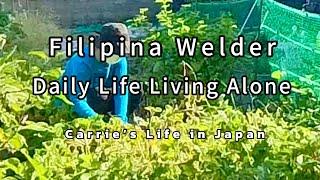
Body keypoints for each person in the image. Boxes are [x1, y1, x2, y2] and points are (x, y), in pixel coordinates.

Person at [60, 23, 139, 124]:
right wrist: (98, 122)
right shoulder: (81, 62)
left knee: (135, 91)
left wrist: (120, 120)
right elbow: (77, 99)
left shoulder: (119, 59)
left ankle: (115, 119)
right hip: (77, 99)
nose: (115, 57)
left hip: (100, 95)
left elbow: (121, 89)